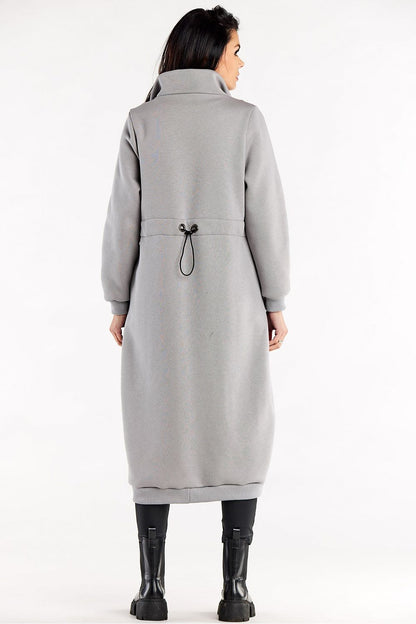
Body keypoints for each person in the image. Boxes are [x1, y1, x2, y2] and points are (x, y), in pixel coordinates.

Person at [100, 5, 290, 622]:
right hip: (233, 292)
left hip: (156, 293)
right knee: (238, 420)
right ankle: (235, 593)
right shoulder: (245, 120)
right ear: (210, 52)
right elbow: (266, 218)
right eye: (236, 50)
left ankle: (152, 591)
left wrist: (118, 299)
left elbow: (122, 222)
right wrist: (275, 300)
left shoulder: (142, 120)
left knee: (154, 422)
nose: (241, 62)